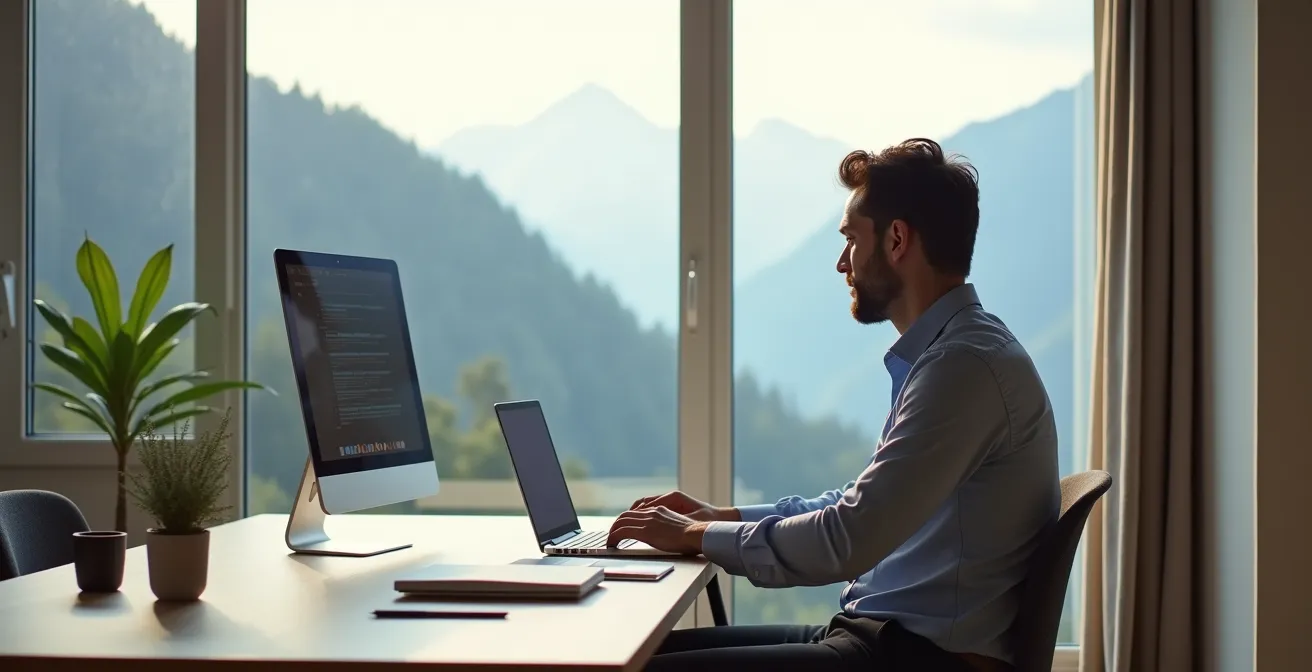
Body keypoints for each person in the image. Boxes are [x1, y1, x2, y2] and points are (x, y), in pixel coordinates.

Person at [606, 138, 1060, 671]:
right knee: (631, 657)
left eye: (850, 239)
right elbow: (855, 504)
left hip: (913, 657)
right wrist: (718, 518)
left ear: (896, 240)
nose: (842, 263)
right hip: (883, 636)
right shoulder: (954, 354)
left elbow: (848, 536)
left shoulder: (964, 368)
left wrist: (699, 536)